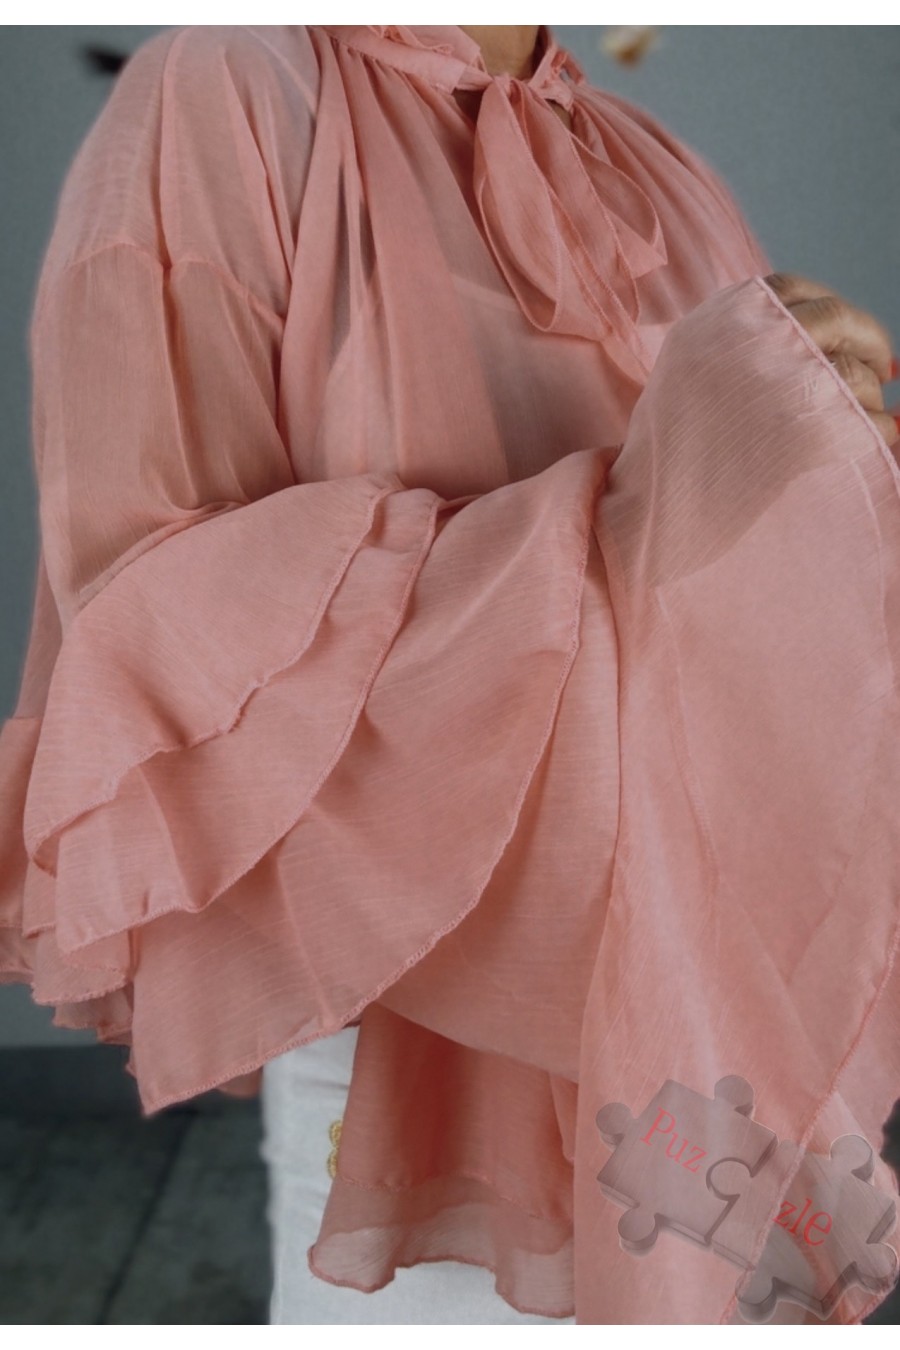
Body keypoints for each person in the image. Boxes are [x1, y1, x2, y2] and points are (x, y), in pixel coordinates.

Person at [1, 23, 899, 1325]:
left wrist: (828, 485)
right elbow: (167, 654)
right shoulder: (234, 90)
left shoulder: (662, 169)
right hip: (421, 1076)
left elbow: (745, 659)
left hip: (708, 1046)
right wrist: (665, 490)